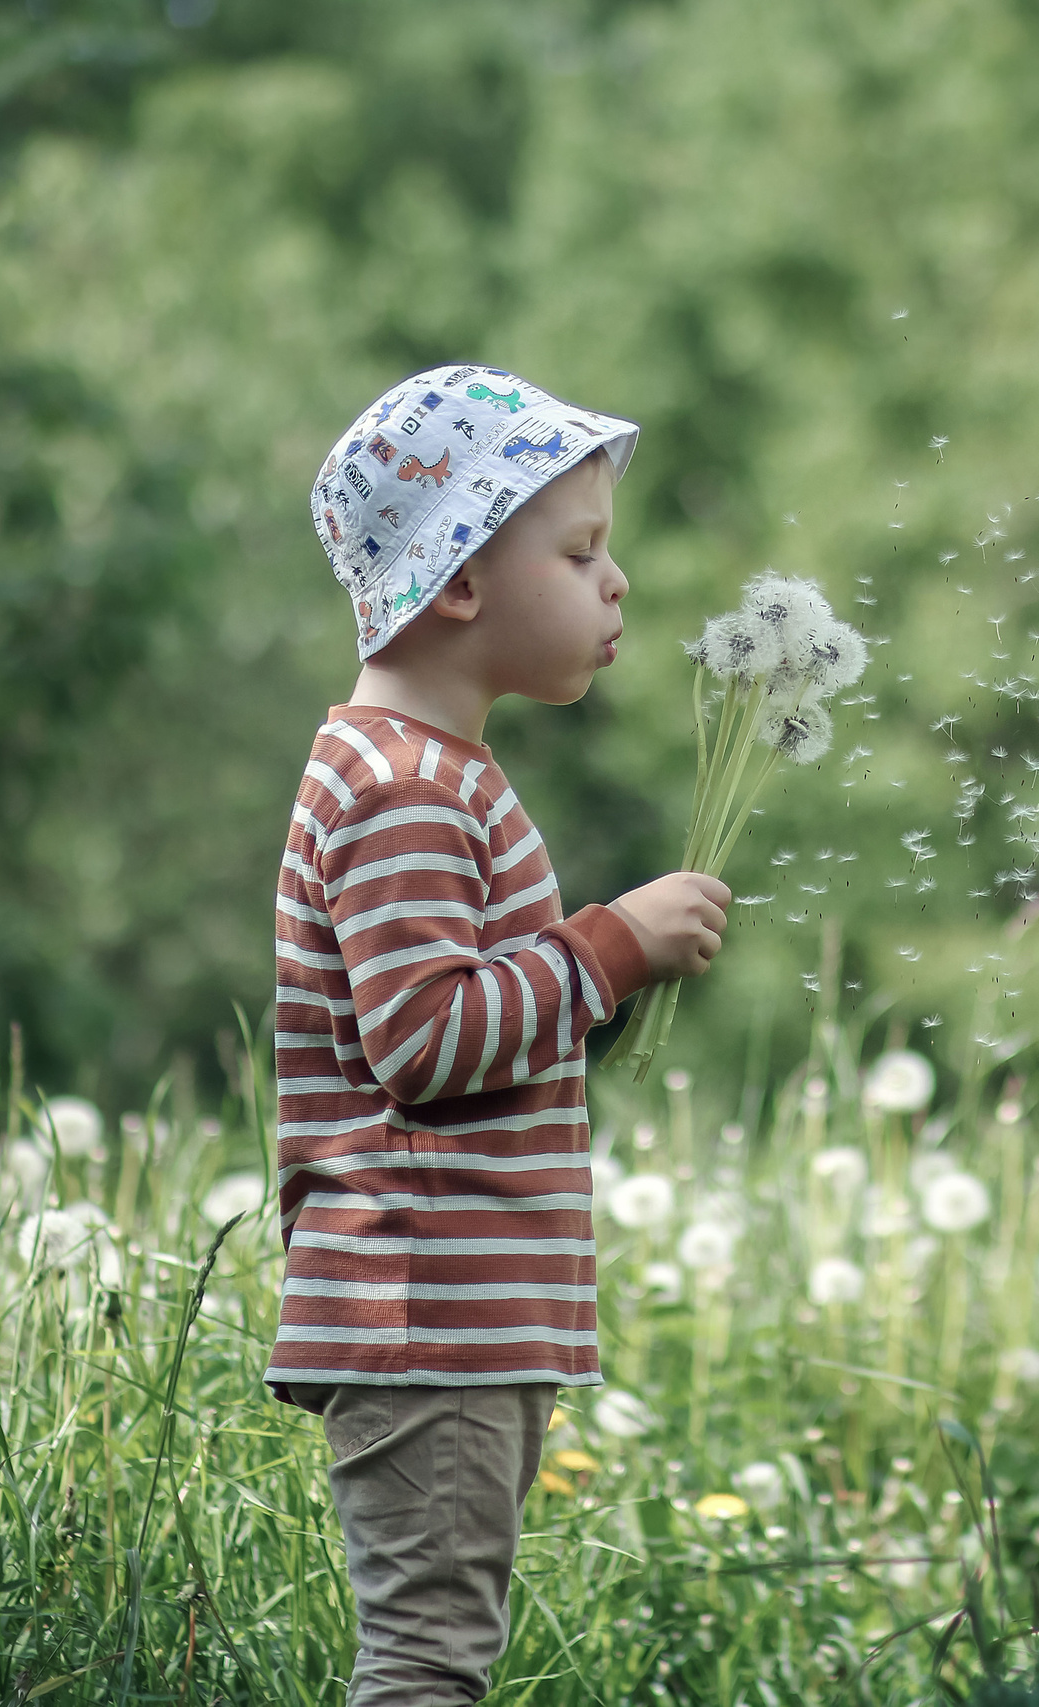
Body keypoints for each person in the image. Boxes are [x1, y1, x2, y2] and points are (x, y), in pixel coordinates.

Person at [266, 366, 729, 1703]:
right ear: (458, 582)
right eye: (580, 551)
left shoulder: (429, 770)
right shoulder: (406, 789)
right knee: (425, 1660)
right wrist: (612, 947)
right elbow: (423, 1038)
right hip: (428, 1322)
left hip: (462, 1318)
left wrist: (598, 969)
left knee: (440, 1647)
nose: (618, 581)